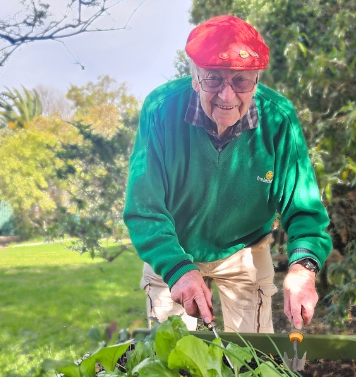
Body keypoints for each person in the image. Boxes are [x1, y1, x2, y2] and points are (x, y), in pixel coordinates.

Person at [123, 15, 332, 333]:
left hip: (244, 249)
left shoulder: (279, 119)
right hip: (173, 247)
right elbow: (144, 207)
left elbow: (302, 207)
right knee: (170, 359)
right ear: (194, 77)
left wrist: (303, 268)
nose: (227, 95)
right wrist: (178, 268)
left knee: (251, 358)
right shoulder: (160, 110)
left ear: (257, 80)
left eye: (241, 81)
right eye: (213, 80)